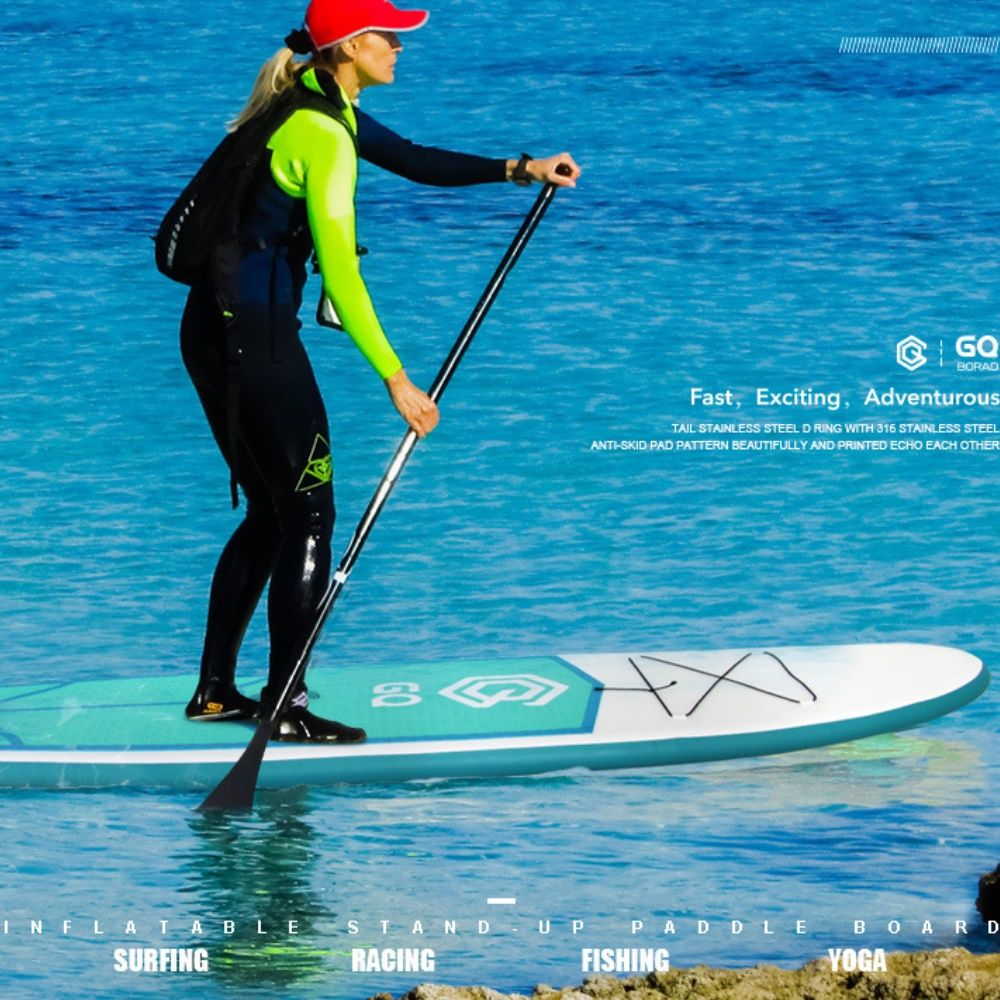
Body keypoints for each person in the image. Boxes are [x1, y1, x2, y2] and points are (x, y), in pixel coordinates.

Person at [180, 0, 581, 743]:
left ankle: (214, 693)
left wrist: (521, 170)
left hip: (212, 333)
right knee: (307, 512)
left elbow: (416, 160)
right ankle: (285, 705)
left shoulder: (309, 104)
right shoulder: (323, 136)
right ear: (348, 46)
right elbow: (342, 275)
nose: (398, 46)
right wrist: (396, 379)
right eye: (386, 36)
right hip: (258, 345)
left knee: (275, 509)